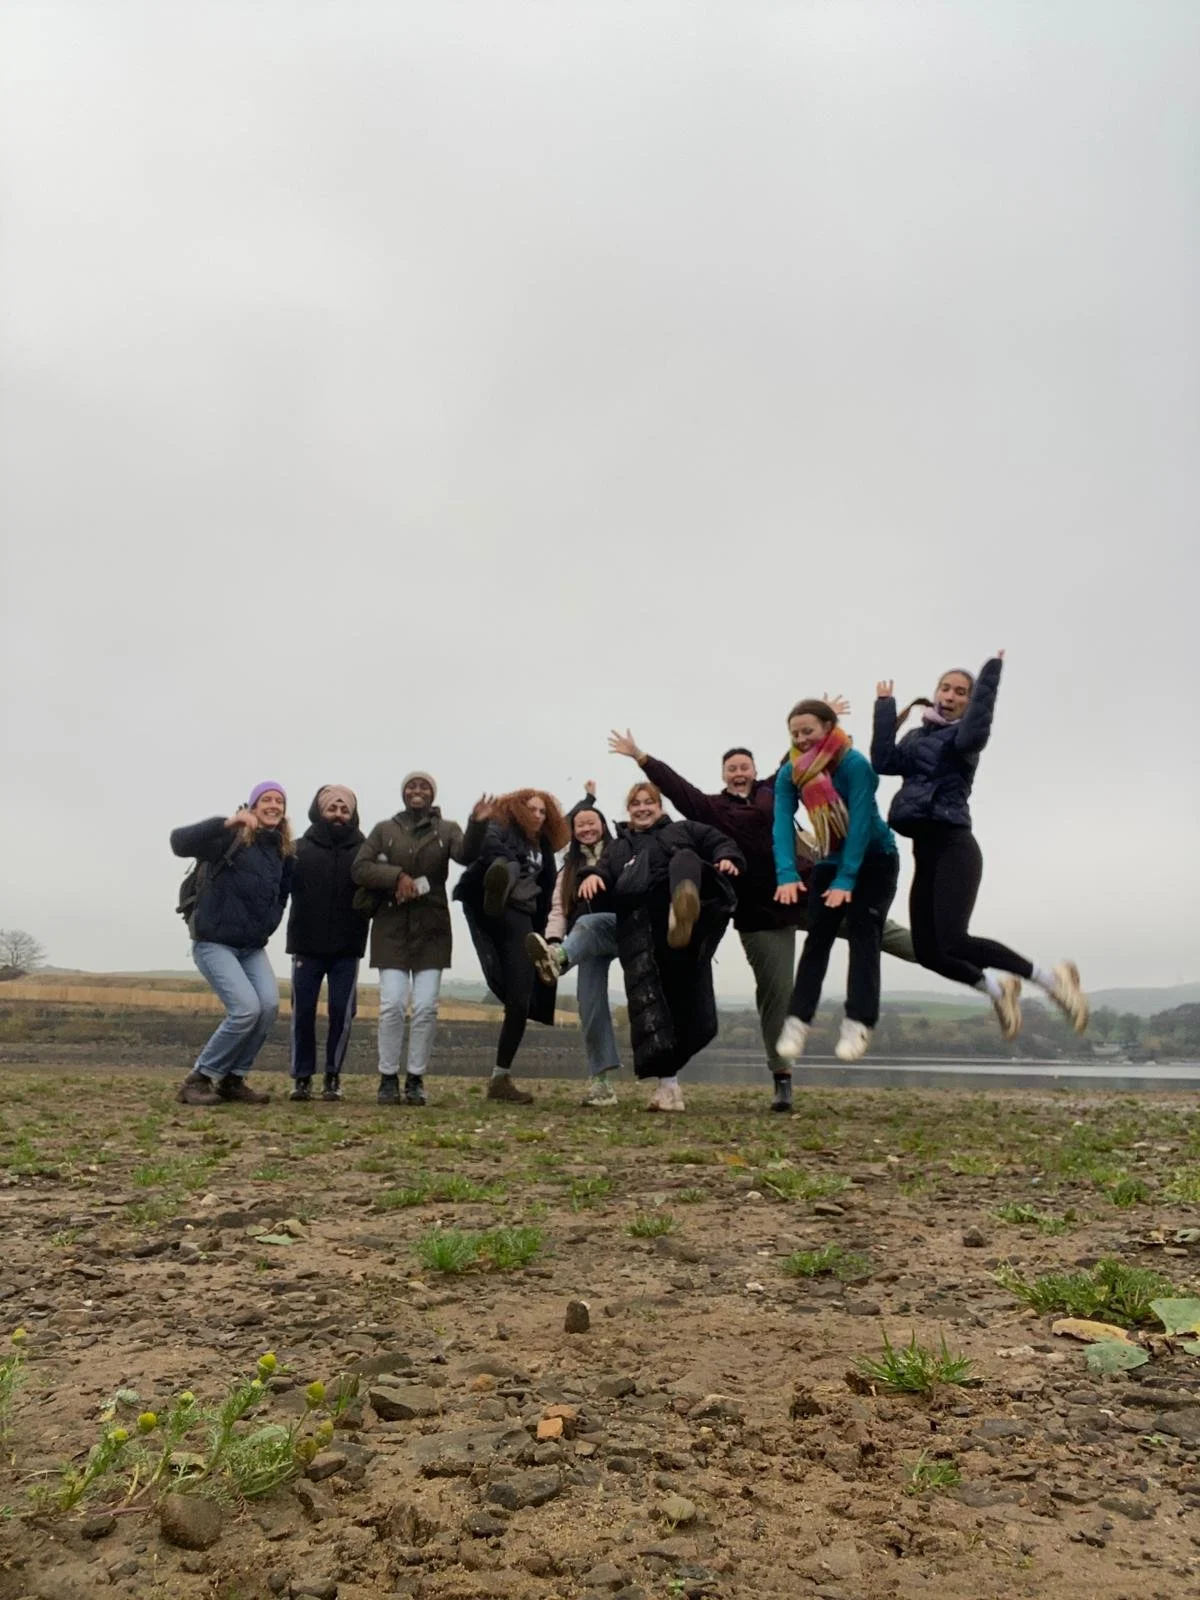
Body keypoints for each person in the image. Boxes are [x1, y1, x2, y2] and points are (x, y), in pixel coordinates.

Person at [608, 723, 916, 1112]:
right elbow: (676, 787)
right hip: (759, 913)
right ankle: (782, 1079)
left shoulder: (775, 790)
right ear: (724, 774)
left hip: (806, 891)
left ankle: (938, 954)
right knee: (777, 995)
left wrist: (825, 727)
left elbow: (802, 756)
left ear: (754, 770)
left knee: (877, 930)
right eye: (732, 768)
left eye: (744, 766)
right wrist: (641, 757)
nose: (739, 772)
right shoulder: (711, 809)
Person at [871, 652, 1088, 1039]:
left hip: (955, 846)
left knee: (955, 938)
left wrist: (989, 679)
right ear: (934, 692)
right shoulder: (918, 737)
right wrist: (885, 708)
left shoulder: (963, 740)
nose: (949, 696)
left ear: (969, 703)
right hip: (926, 851)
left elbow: (977, 729)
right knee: (928, 951)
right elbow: (884, 761)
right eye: (945, 688)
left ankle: (1051, 980)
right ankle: (996, 989)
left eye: (960, 692)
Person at [576, 780, 744, 1112]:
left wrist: (726, 857)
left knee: (685, 857)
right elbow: (603, 870)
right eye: (636, 803)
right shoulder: (619, 847)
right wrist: (592, 876)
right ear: (629, 809)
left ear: (660, 805)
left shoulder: (682, 830)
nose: (642, 808)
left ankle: (682, 908)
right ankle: (669, 1088)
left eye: (648, 802)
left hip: (686, 932)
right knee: (663, 1016)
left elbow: (717, 841)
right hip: (643, 938)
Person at [772, 701, 900, 1063]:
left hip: (875, 857)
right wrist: (787, 874)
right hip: (830, 857)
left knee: (864, 931)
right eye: (794, 733)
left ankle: (858, 1021)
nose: (801, 738)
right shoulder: (791, 773)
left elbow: (860, 821)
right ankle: (797, 1021)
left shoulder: (853, 763)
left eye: (807, 730)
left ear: (828, 727)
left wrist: (848, 878)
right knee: (818, 937)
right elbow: (781, 823)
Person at [352, 773, 488, 1105]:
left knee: (426, 1007)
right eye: (412, 786)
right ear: (403, 793)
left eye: (424, 787)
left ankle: (415, 1078)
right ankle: (387, 1078)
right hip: (391, 928)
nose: (417, 791)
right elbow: (360, 868)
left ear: (432, 794)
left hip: (432, 929)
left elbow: (465, 855)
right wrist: (396, 876)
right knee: (392, 1006)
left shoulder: (448, 829)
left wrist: (477, 824)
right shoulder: (384, 829)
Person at [169, 782, 295, 1106]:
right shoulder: (231, 837)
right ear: (253, 806)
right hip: (213, 942)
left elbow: (283, 894)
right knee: (245, 1010)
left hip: (251, 947)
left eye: (279, 801)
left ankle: (233, 1079)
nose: (273, 805)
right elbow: (178, 842)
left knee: (267, 1007)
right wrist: (227, 822)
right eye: (266, 799)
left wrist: (271, 921)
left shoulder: (282, 852)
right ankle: (198, 1079)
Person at [454, 789, 570, 1105]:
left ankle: (500, 1078)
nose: (537, 815)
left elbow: (572, 828)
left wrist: (588, 801)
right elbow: (484, 842)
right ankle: (499, 886)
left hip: (525, 919)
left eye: (543, 811)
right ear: (518, 810)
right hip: (501, 910)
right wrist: (509, 856)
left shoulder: (544, 847)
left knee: (520, 999)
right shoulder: (502, 829)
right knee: (507, 865)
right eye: (531, 809)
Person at [526, 784, 622, 1108]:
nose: (586, 828)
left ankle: (559, 960)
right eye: (579, 824)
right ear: (574, 832)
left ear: (603, 825)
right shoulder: (568, 868)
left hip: (622, 929)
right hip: (588, 941)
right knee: (590, 1006)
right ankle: (602, 1084)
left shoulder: (620, 853)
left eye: (591, 822)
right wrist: (553, 939)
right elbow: (558, 910)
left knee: (589, 923)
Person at [285, 785, 369, 1103]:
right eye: (332, 808)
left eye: (344, 809)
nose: (338, 814)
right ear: (319, 811)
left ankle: (333, 1076)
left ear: (352, 814)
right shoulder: (296, 849)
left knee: (341, 1013)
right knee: (302, 1013)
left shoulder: (366, 850)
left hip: (348, 947)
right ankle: (302, 1078)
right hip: (306, 945)